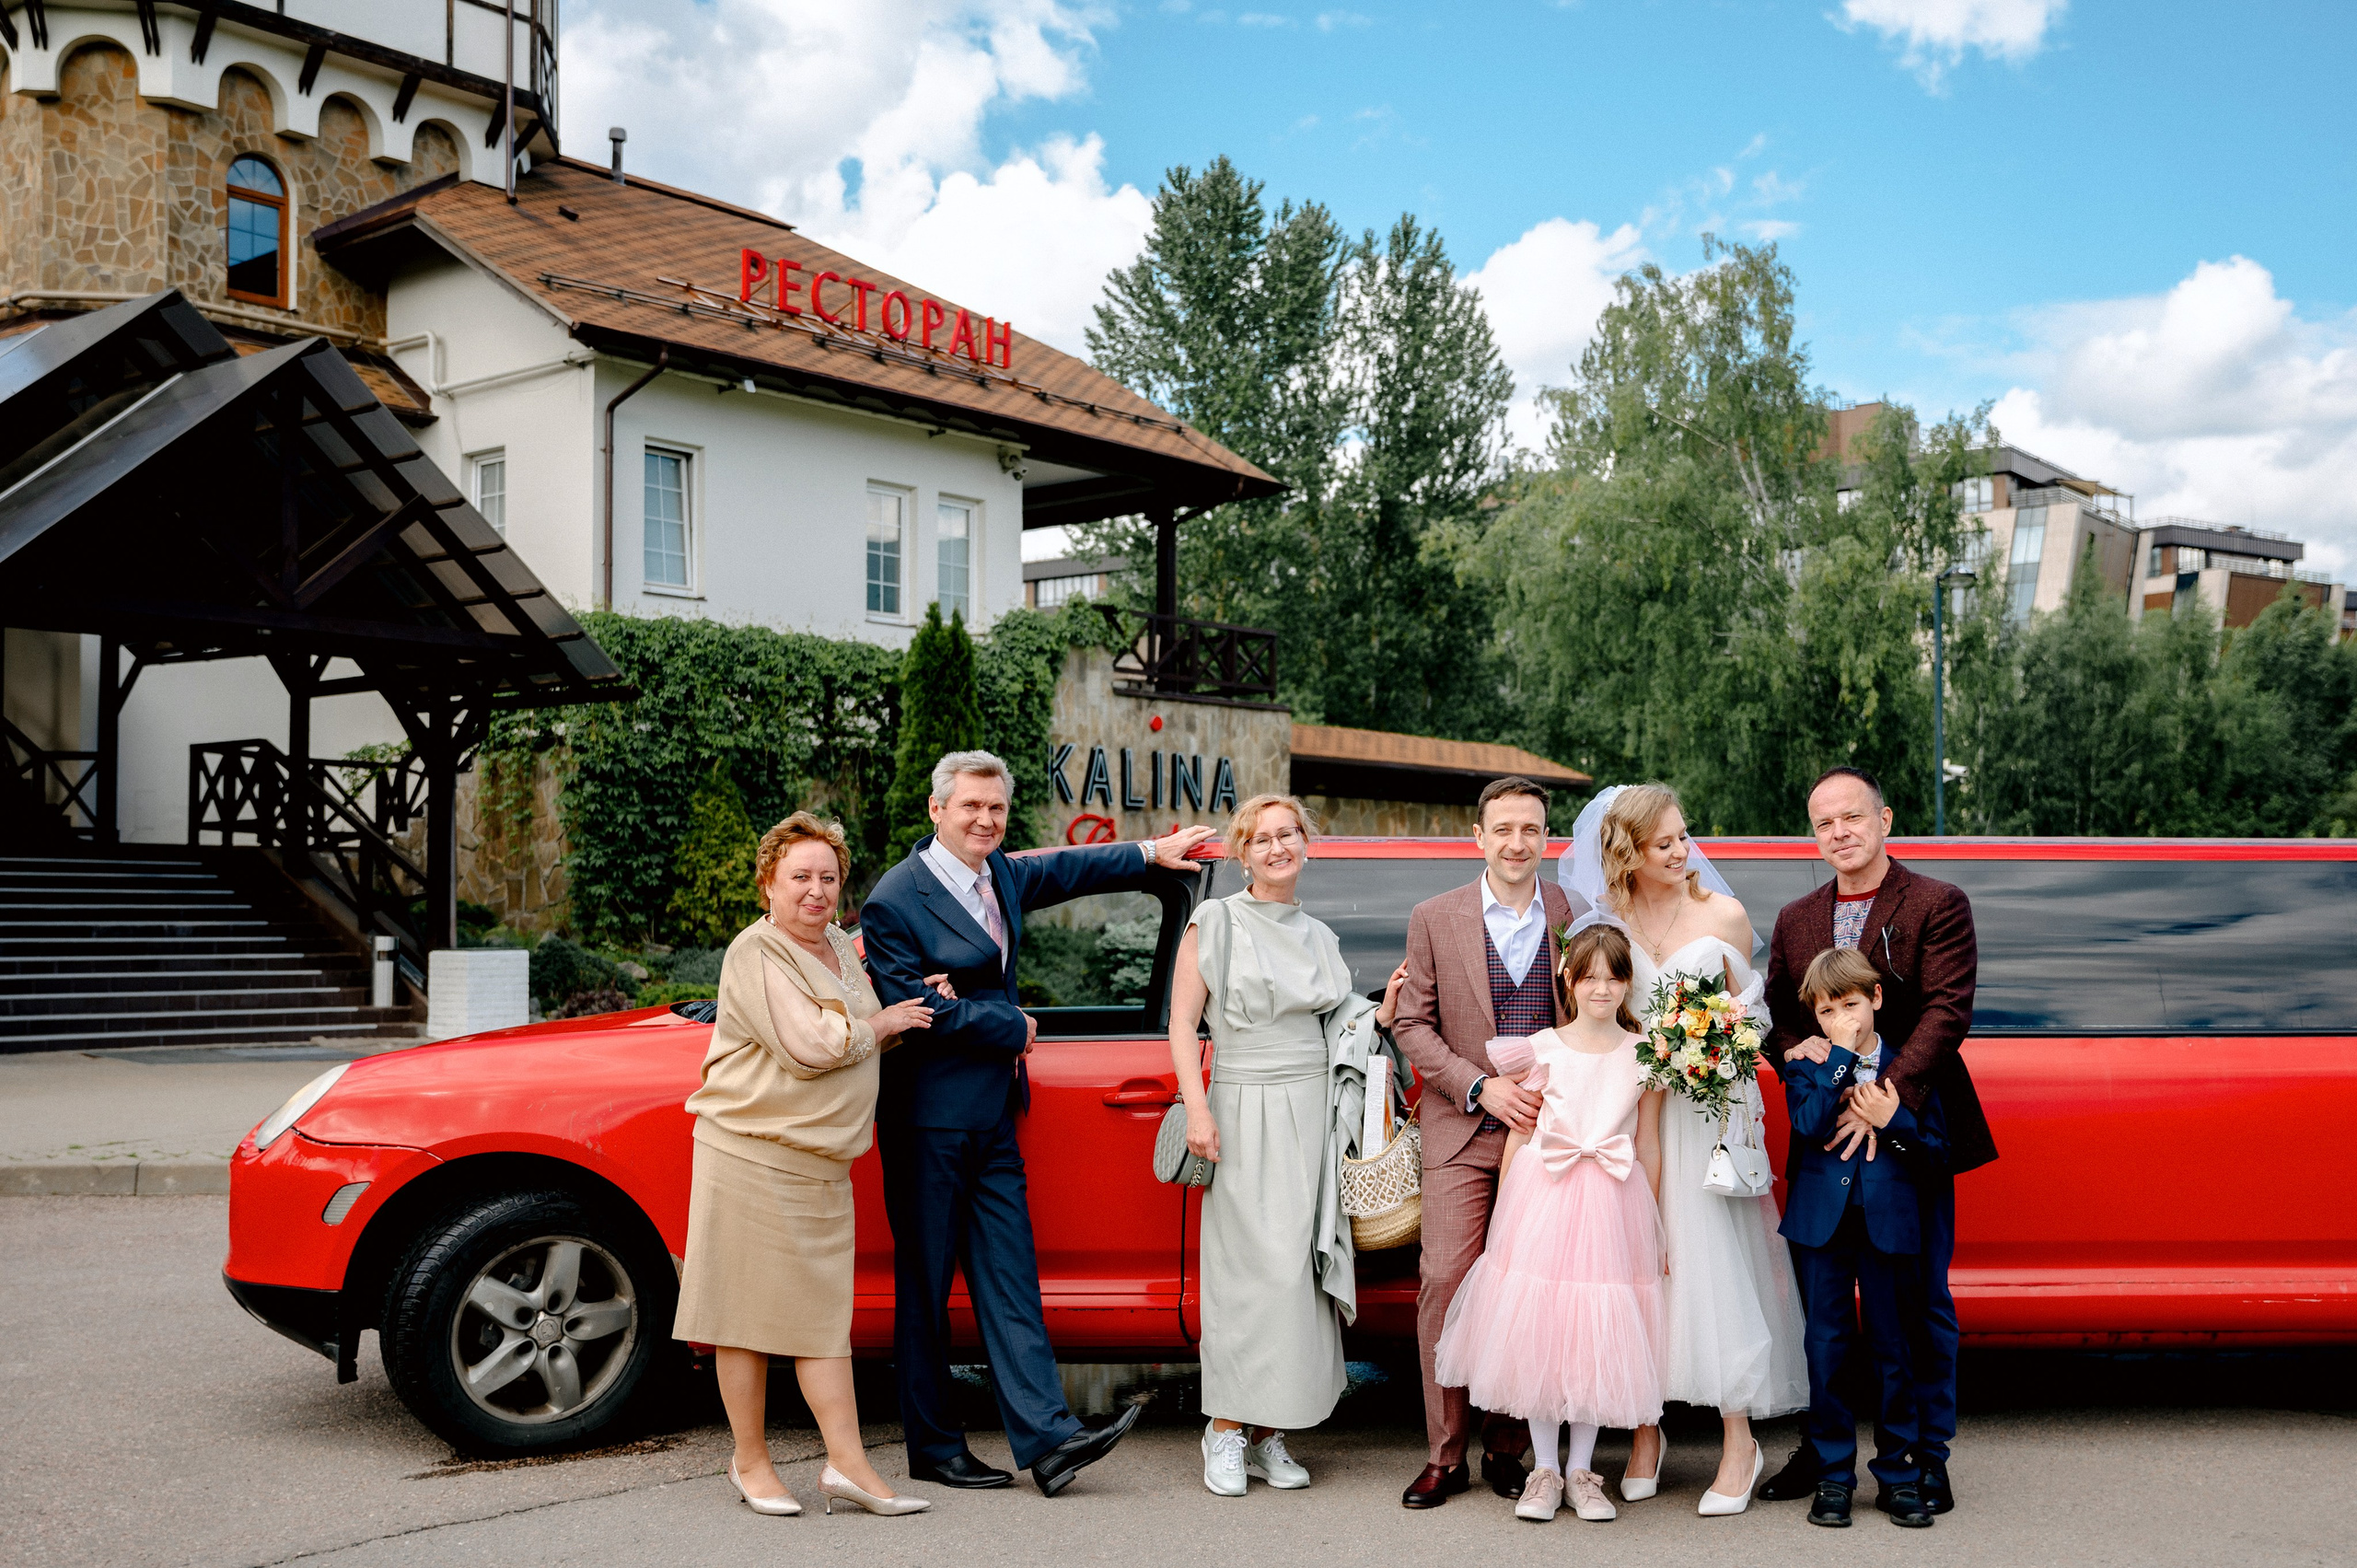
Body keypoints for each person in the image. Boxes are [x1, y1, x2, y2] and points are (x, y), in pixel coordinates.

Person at [858, 750, 1216, 1496]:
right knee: (924, 1289)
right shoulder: (898, 896)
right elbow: (915, 1012)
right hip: (927, 1120)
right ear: (937, 810)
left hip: (993, 1116)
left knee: (1010, 1277)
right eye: (970, 807)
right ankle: (932, 1446)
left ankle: (1050, 1442)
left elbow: (1068, 870)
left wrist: (1153, 851)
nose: (985, 819)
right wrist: (1008, 1022)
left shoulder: (1001, 873)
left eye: (995, 808)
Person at [675, 812, 940, 1518]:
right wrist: (881, 1024)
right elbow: (810, 1046)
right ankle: (750, 1461)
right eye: (800, 877)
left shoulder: (838, 951)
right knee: (747, 1319)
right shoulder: (756, 951)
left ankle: (848, 1467)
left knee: (823, 1321)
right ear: (769, 883)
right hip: (753, 1154)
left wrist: (908, 1008)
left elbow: (855, 1037)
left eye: (827, 877)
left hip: (820, 1162)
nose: (816, 890)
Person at [1561, 784, 1808, 1516]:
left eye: (1683, 836)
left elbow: (1754, 1017)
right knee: (1639, 1261)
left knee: (1709, 1267)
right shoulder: (1603, 921)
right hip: (1631, 1113)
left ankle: (1740, 1438)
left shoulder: (1724, 915)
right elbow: (1598, 1013)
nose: (1682, 850)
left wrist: (1709, 1044)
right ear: (1627, 851)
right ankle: (1645, 1429)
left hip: (1707, 1111)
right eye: (1664, 841)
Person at [1757, 766, 1994, 1514]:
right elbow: (1778, 1019)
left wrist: (1883, 1099)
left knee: (1920, 1307)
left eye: (1852, 817)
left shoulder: (1935, 902)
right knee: (1827, 1320)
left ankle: (1927, 1457)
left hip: (1908, 1123)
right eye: (1824, 822)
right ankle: (1835, 1460)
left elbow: (1947, 1012)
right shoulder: (1797, 917)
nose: (1839, 832)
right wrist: (1814, 1066)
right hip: (1825, 1139)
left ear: (1884, 819)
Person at [1433, 923, 1666, 1526]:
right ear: (1569, 978)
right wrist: (1508, 1211)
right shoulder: (1541, 1048)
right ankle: (1544, 1468)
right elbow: (1520, 1130)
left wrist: (1657, 1226)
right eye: (1589, 975)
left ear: (1627, 983)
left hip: (1612, 1200)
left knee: (1592, 1329)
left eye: (1614, 976)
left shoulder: (1642, 1053)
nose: (1601, 987)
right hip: (1547, 1195)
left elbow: (1648, 1143)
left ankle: (1584, 1469)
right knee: (1542, 1330)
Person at [1390, 775, 1573, 1507]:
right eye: (1503, 828)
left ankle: (1508, 1443)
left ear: (1545, 839)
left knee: (1530, 1287)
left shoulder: (1571, 910)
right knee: (1445, 1281)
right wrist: (1480, 1085)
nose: (1517, 841)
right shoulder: (1435, 916)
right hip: (1463, 1127)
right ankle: (1445, 1454)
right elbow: (1411, 1025)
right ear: (1479, 836)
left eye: (1530, 829)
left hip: (1549, 1132)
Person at [1168, 794, 1357, 1496]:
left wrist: (1389, 1006)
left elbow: (1344, 1020)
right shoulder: (1214, 919)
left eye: (1289, 834)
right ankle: (1223, 1430)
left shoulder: (1320, 936)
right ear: (1242, 853)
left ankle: (1272, 1431)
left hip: (1310, 1106)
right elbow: (1184, 1023)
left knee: (1297, 1273)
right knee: (1245, 1270)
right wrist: (1198, 1107)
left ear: (1306, 844)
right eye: (1263, 838)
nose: (1278, 846)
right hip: (1241, 1102)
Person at [1778, 947, 1951, 1529]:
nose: (1840, 1020)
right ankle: (1833, 1477)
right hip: (1821, 1224)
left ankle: (1898, 1475)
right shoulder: (1808, 1065)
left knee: (1891, 1350)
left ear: (1876, 998)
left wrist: (1892, 1120)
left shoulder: (1911, 1068)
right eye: (1827, 1012)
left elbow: (1935, 1156)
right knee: (1826, 1349)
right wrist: (1841, 1057)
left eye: (1851, 1005)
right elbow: (1806, 1125)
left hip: (1890, 1222)